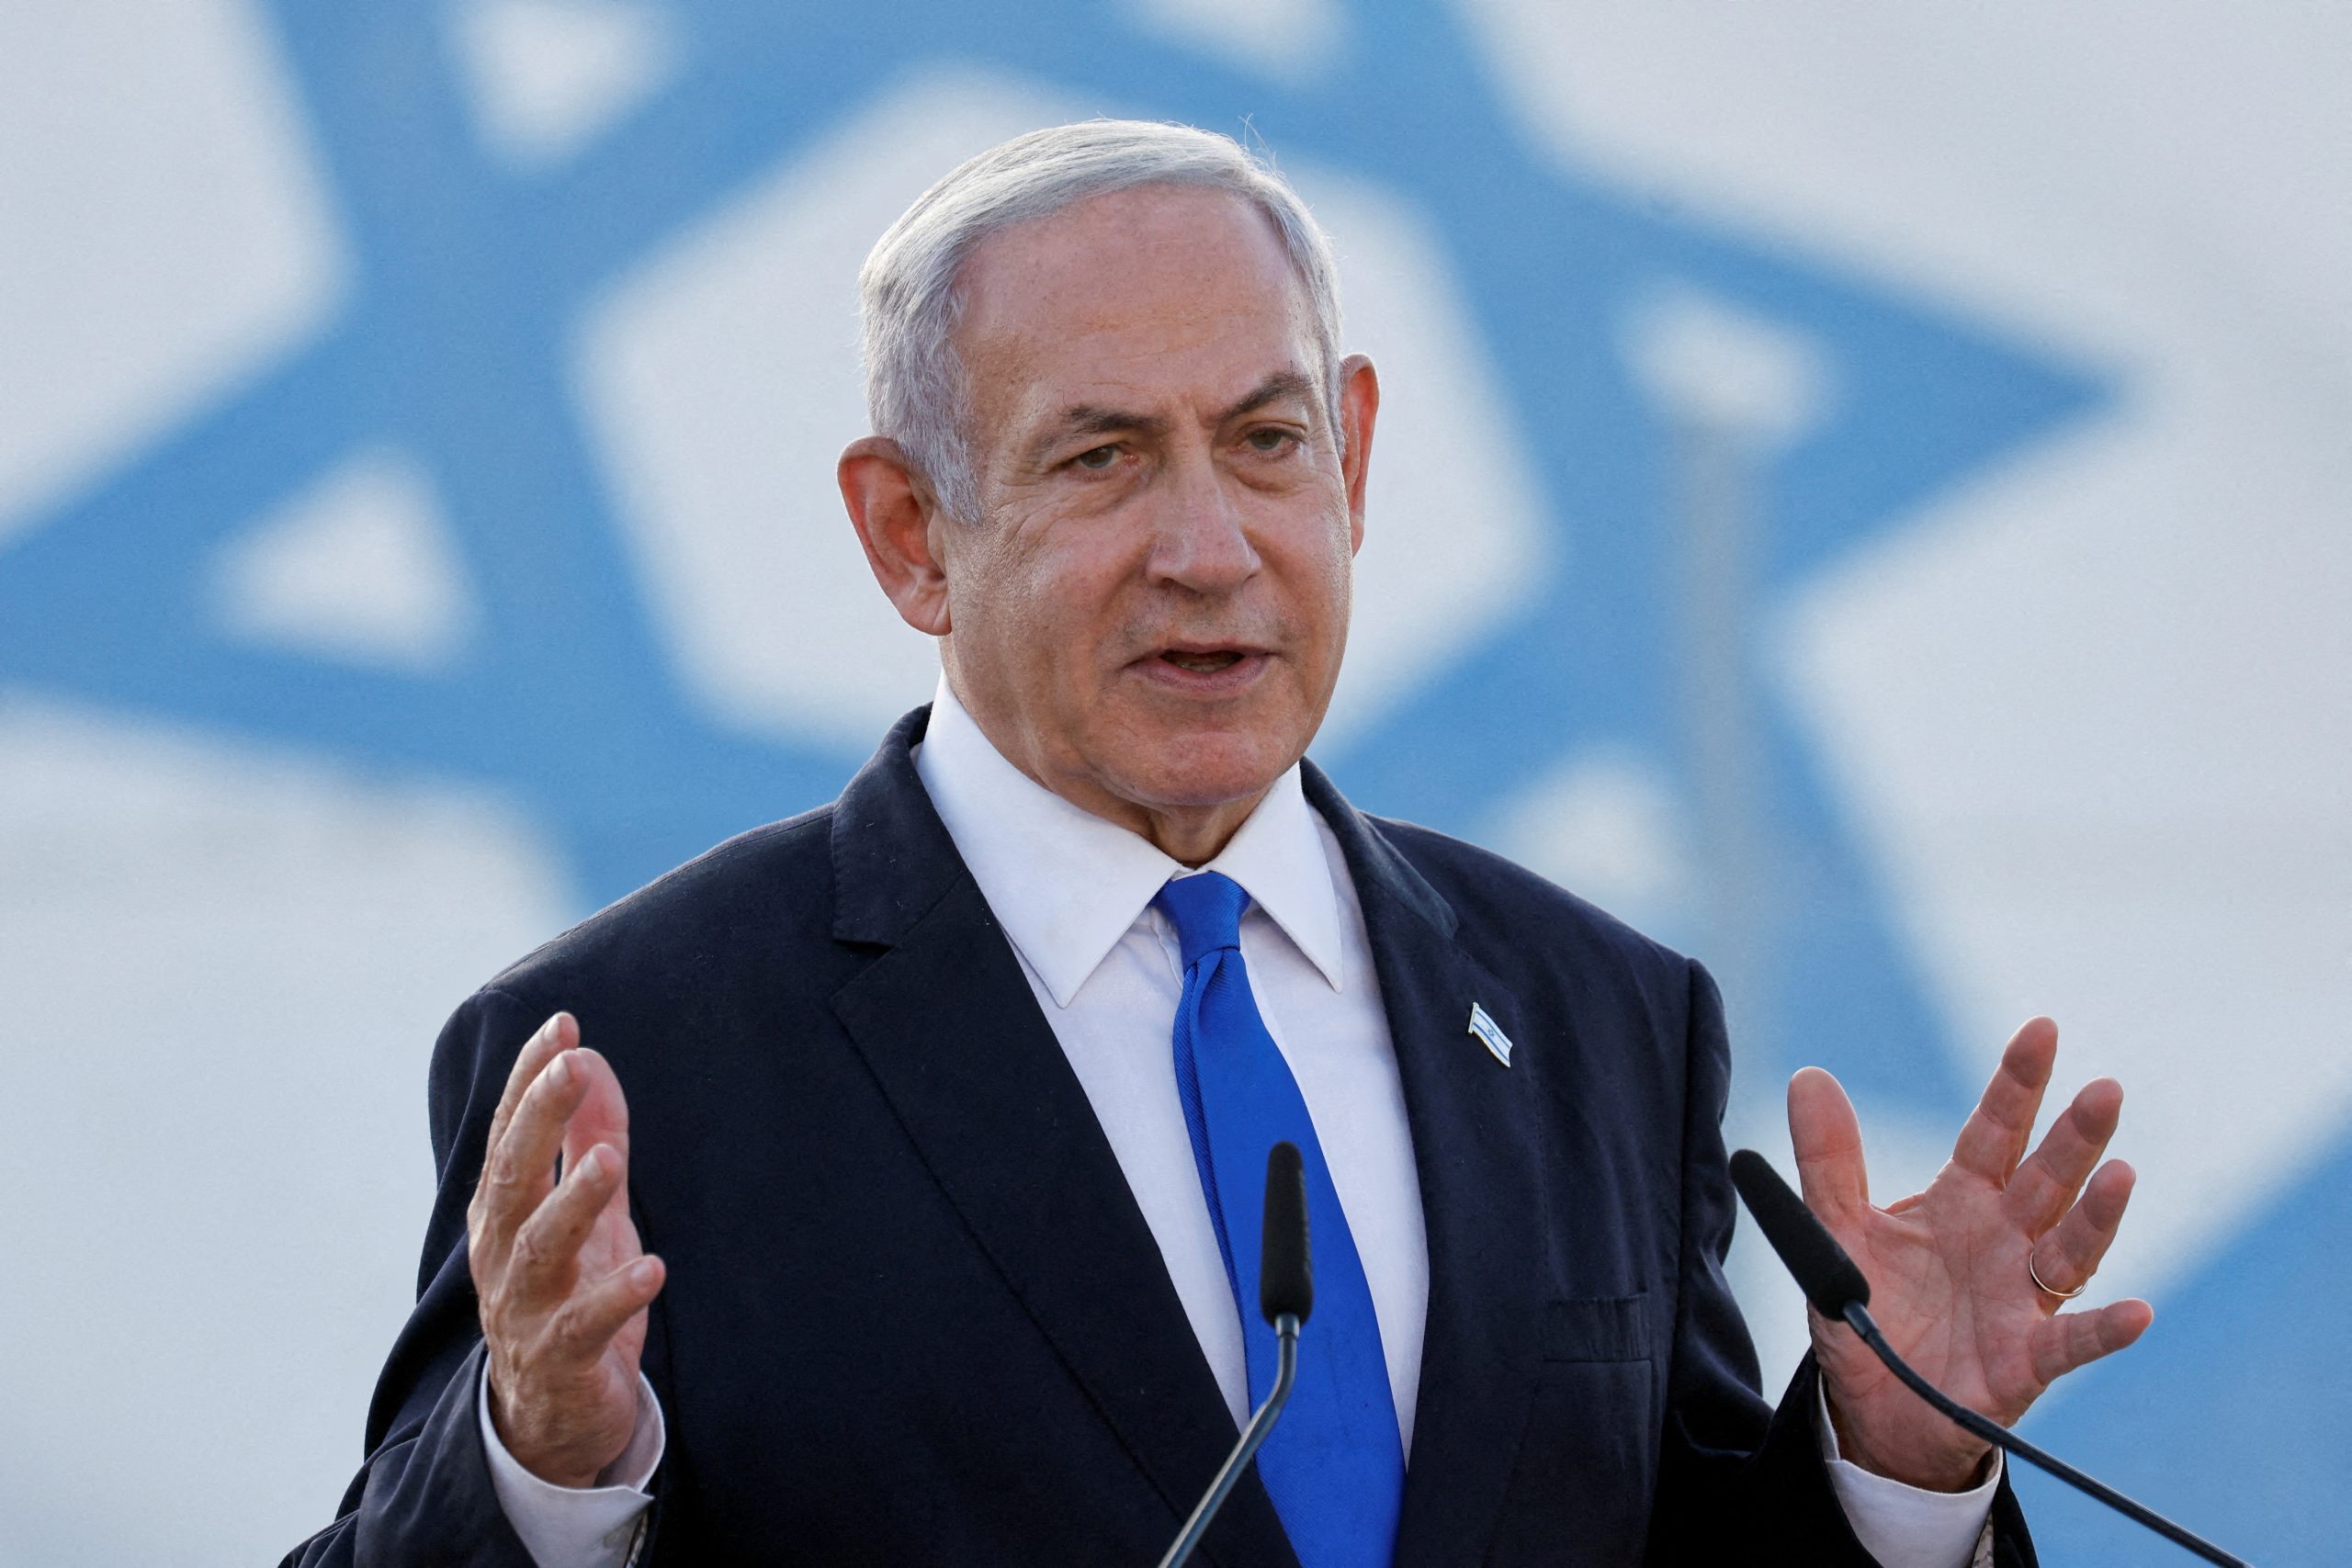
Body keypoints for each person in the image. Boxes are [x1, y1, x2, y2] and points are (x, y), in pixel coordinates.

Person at [283, 120, 2150, 1568]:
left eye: (1261, 443)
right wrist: (544, 1464)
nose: (1206, 547)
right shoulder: (637, 1053)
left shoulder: (1596, 1013)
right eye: (1098, 459)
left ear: (1349, 457)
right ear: (908, 533)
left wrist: (1897, 1464)